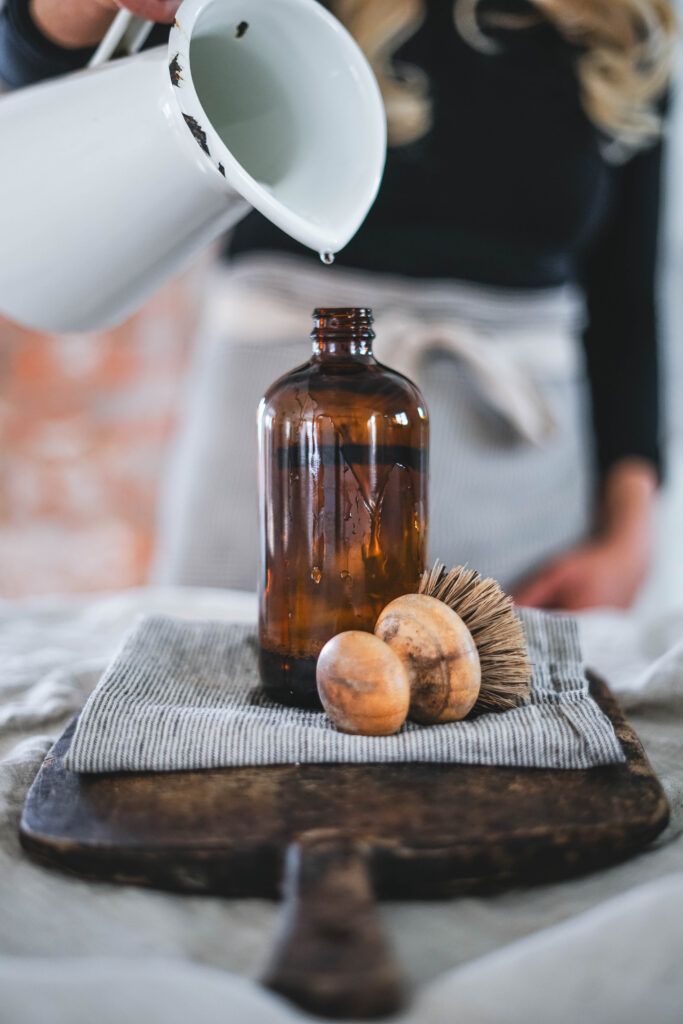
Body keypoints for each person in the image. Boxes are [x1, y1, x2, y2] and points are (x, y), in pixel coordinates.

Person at [0, 0, 676, 609]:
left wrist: (628, 537)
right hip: (280, 450)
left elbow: (625, 311)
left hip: (515, 472)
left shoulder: (627, 28)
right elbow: (45, 79)